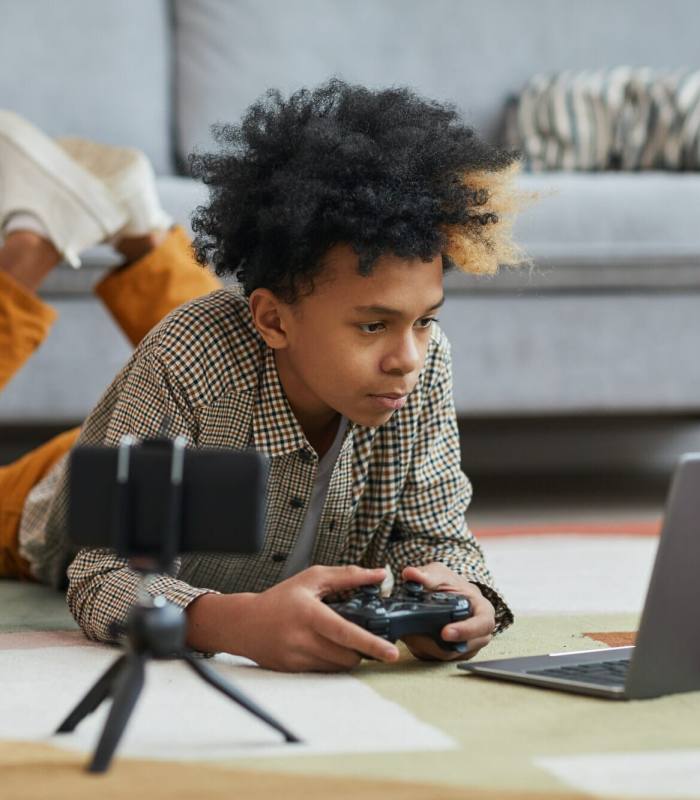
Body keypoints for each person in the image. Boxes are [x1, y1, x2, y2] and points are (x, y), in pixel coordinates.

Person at [0, 79, 526, 673]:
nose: (407, 356)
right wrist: (236, 624)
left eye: (425, 321)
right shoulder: (188, 357)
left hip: (217, 397)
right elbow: (100, 573)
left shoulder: (417, 367)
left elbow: (438, 536)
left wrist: (460, 598)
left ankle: (145, 236)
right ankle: (28, 246)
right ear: (271, 319)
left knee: (244, 340)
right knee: (207, 340)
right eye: (374, 326)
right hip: (53, 489)